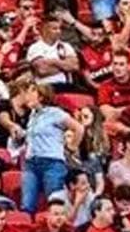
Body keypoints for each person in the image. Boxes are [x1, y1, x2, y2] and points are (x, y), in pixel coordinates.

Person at [21, 82, 83, 213]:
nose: (27, 96)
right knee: (27, 204)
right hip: (31, 163)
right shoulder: (32, 115)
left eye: (31, 93)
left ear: (41, 96)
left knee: (54, 203)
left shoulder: (56, 113)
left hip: (52, 163)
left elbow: (78, 128)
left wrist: (72, 147)